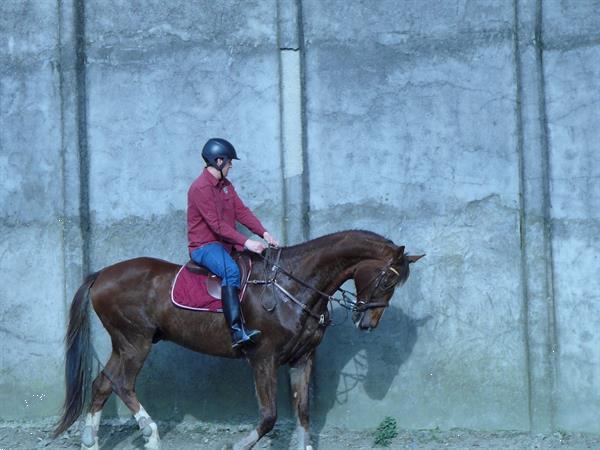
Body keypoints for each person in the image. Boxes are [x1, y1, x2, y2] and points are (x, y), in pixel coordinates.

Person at [187, 138, 279, 348]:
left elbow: (242, 212)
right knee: (231, 272)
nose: (231, 165)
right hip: (205, 246)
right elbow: (217, 225)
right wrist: (247, 242)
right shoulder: (200, 188)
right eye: (229, 161)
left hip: (226, 244)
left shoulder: (226, 186)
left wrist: (264, 233)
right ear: (218, 161)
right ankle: (237, 332)